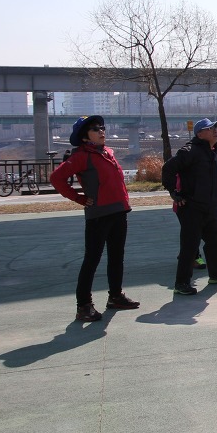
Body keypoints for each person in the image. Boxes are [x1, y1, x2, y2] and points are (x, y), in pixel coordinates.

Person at [50, 115, 140, 322]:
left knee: (117, 257)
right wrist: (78, 198)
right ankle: (83, 305)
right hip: (99, 215)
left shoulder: (107, 152)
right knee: (92, 260)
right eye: (95, 129)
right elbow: (56, 178)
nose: (101, 131)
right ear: (84, 137)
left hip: (118, 211)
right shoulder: (82, 156)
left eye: (102, 127)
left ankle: (115, 296)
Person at [161, 118, 217, 294]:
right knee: (190, 246)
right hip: (191, 207)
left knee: (215, 242)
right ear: (200, 134)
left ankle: (216, 274)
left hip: (210, 207)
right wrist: (174, 193)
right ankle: (181, 284)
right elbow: (168, 169)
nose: (215, 130)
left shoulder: (213, 152)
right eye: (210, 128)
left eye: (215, 128)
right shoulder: (190, 151)